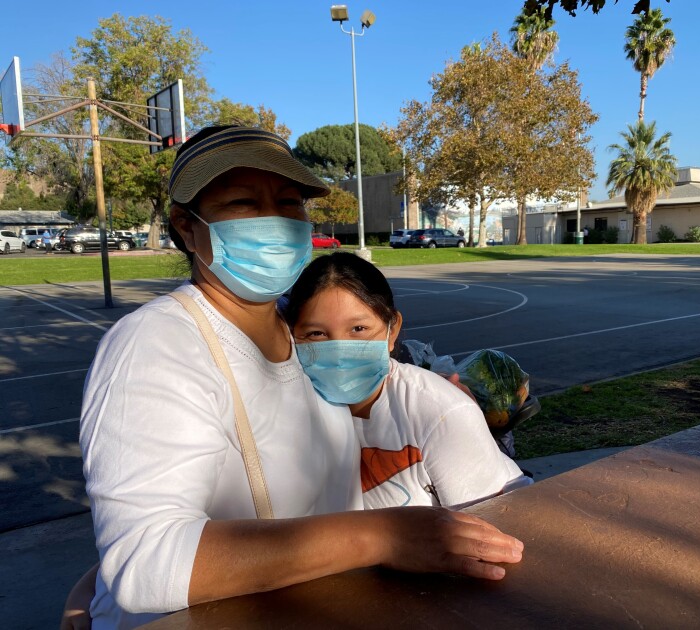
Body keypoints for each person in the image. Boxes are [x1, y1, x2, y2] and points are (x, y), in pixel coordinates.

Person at [74, 125, 523, 629]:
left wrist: (458, 404)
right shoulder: (156, 344)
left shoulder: (298, 335)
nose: (274, 221)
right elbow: (147, 562)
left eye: (289, 203)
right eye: (243, 203)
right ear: (185, 225)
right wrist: (383, 535)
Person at [284, 252, 531, 509]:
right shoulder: (289, 414)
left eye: (358, 329)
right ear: (292, 336)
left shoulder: (439, 413)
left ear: (393, 330)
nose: (338, 351)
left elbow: (495, 523)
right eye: (316, 333)